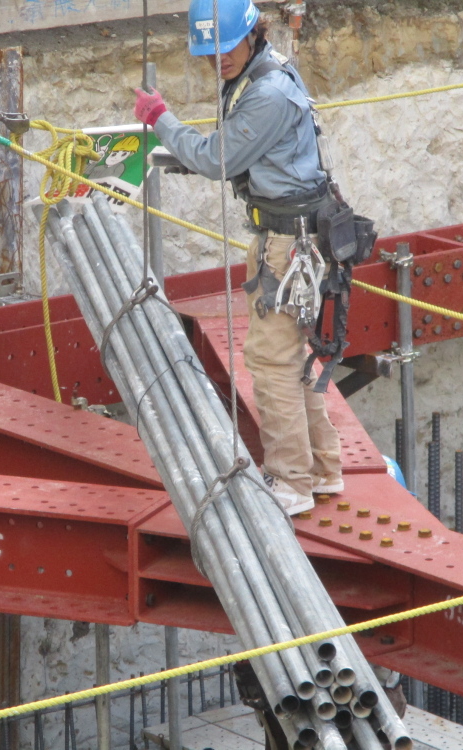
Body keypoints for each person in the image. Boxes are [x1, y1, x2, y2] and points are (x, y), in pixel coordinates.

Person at [133, 0, 343, 516]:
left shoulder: (266, 92)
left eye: (226, 47)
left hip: (286, 242)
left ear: (251, 35)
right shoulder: (260, 72)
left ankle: (291, 483)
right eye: (210, 52)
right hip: (293, 233)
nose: (219, 59)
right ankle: (323, 469)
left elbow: (214, 158)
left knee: (272, 362)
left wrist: (161, 121)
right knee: (294, 355)